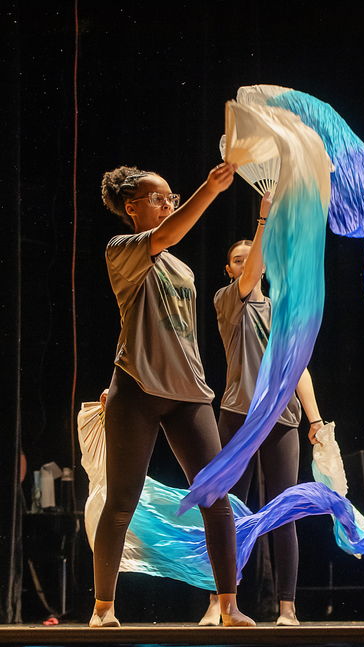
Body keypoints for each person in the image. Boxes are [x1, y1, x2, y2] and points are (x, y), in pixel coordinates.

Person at [94, 163, 255, 627]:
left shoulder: (180, 266)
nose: (169, 204)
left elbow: (181, 332)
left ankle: (228, 605)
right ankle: (103, 607)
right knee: (122, 498)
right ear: (133, 207)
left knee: (214, 496)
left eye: (172, 196)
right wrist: (209, 188)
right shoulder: (121, 249)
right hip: (138, 388)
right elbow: (168, 234)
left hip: (188, 392)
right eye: (159, 199)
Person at [197, 192, 325, 626]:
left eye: (251, 258)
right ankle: (220, 602)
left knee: (283, 510)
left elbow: (299, 368)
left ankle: (287, 608)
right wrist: (264, 217)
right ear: (230, 270)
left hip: (282, 419)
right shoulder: (226, 300)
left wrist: (315, 420)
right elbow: (249, 278)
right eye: (237, 260)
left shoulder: (284, 311)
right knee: (227, 510)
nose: (245, 263)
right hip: (238, 415)